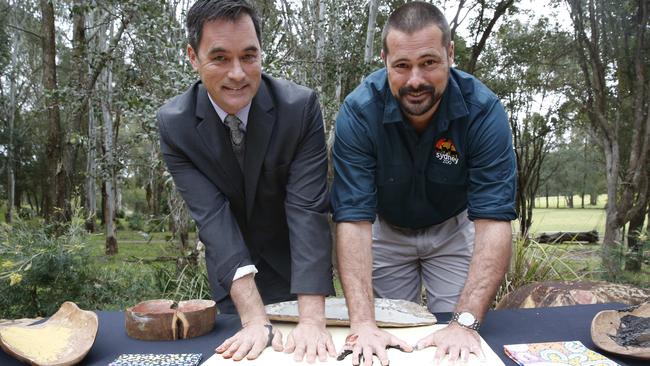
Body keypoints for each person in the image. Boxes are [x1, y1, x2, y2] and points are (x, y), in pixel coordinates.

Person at [331, 1, 517, 365]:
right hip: (385, 230)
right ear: (384, 60)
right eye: (402, 65)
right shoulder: (358, 112)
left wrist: (465, 322)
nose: (415, 80)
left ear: (450, 54)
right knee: (388, 338)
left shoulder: (484, 111)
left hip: (452, 227)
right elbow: (352, 219)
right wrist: (363, 322)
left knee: (458, 340)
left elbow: (494, 220)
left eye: (429, 63)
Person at [157, 0, 335, 362]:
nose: (237, 74)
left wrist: (313, 319)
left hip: (294, 267)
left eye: (249, 57)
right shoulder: (174, 125)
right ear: (193, 57)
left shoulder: (299, 109)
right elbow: (212, 217)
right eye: (220, 58)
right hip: (231, 273)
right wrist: (254, 317)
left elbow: (307, 210)